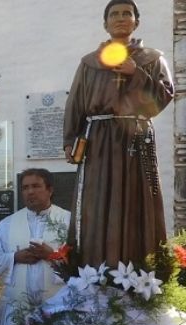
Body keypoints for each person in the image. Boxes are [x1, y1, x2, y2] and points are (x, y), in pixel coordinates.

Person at [64, 0, 173, 269]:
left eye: (127, 13)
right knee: (97, 201)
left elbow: (162, 98)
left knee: (139, 200)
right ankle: (95, 269)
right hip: (98, 140)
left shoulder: (152, 59)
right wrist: (69, 140)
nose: (121, 18)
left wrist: (136, 73)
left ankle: (141, 271)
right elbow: (75, 103)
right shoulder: (89, 63)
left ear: (136, 21)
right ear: (105, 23)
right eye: (114, 14)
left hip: (136, 137)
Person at [0, 168, 71, 325]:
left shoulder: (69, 221)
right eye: (25, 187)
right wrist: (14, 257)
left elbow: (86, 263)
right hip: (18, 312)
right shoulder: (7, 225)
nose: (30, 192)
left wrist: (53, 255)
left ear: (50, 190)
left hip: (57, 312)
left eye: (36, 186)